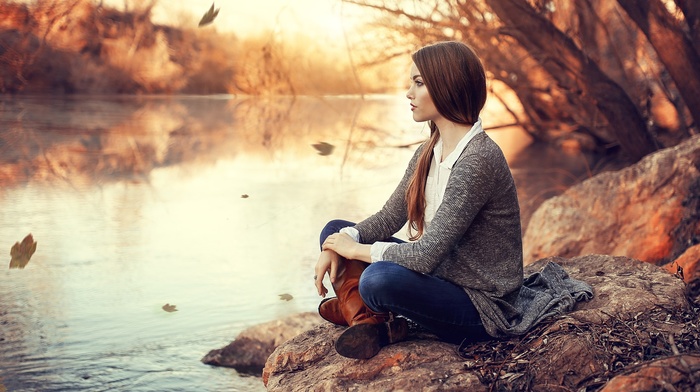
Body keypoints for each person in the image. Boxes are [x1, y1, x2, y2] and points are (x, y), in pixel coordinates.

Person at [313, 41, 591, 360]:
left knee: (378, 279)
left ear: (447, 86)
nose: (408, 93)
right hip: (440, 279)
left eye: (418, 83)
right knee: (335, 229)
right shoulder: (427, 152)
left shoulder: (478, 160)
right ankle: (371, 322)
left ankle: (359, 309)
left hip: (479, 303)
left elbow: (425, 256)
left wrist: (356, 251)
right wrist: (336, 245)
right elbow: (389, 218)